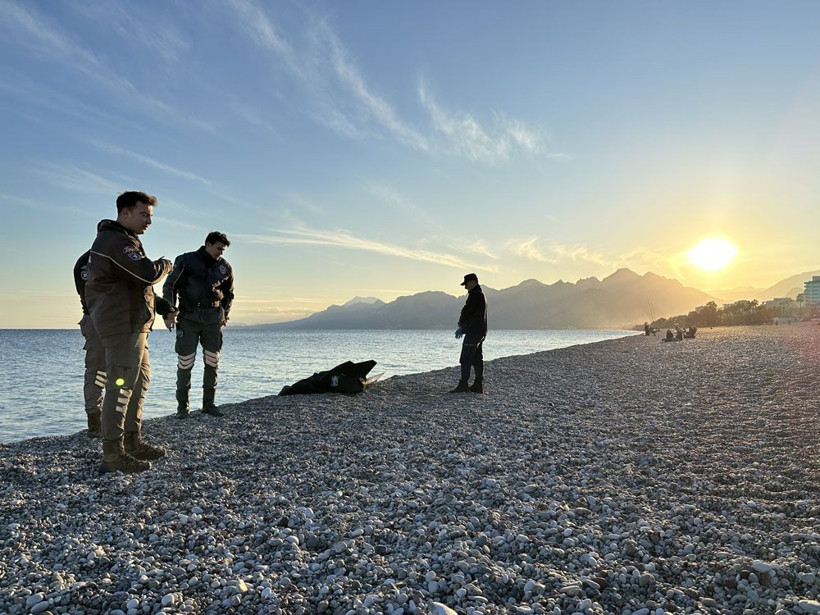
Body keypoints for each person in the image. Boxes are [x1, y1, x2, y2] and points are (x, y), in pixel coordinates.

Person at [85, 191, 175, 473]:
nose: (149, 220)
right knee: (121, 385)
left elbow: (138, 286)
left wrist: (160, 306)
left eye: (150, 215)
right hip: (122, 325)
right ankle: (113, 453)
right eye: (144, 214)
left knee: (140, 380)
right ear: (125, 212)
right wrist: (165, 265)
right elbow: (147, 273)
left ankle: (132, 441)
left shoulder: (125, 241)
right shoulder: (114, 241)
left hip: (135, 324)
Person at [162, 232, 234, 418]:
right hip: (188, 318)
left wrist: (225, 314)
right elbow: (170, 286)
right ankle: (182, 408)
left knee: (212, 361)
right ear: (208, 244)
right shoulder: (186, 260)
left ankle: (209, 405)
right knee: (185, 363)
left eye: (223, 250)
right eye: (218, 248)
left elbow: (229, 294)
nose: (221, 253)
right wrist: (169, 313)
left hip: (213, 320)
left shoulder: (224, 267)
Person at [73, 251, 106, 438]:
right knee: (98, 371)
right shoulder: (91, 261)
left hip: (95, 318)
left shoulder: (82, 262)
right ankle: (96, 421)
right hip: (99, 319)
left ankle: (101, 420)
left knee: (100, 371)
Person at [452, 273, 488, 393]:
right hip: (481, 331)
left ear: (473, 282)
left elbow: (468, 312)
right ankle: (478, 384)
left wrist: (462, 326)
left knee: (466, 358)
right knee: (477, 357)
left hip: (473, 332)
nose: (465, 287)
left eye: (466, 284)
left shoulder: (475, 295)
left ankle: (463, 384)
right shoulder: (481, 295)